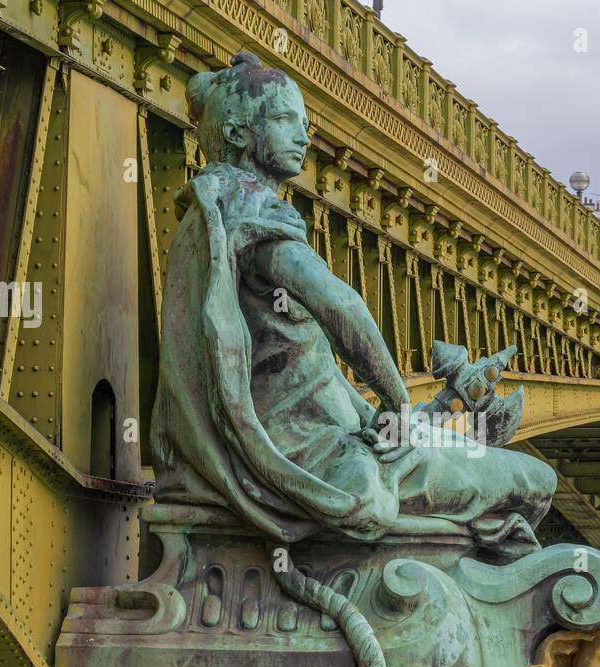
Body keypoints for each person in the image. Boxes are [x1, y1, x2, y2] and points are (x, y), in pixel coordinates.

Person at [150, 52, 556, 558]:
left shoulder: (214, 209)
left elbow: (303, 359)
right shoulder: (252, 209)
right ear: (236, 133)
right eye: (283, 120)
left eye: (305, 123)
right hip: (317, 454)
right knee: (535, 480)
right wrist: (398, 403)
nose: (303, 136)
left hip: (332, 437)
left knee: (499, 470)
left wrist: (384, 415)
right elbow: (338, 302)